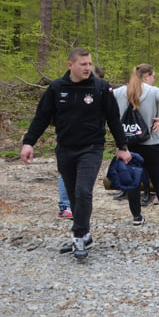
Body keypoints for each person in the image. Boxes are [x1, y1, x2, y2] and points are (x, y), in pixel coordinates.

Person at [21, 48, 131, 260]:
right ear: (70, 65)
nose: (88, 68)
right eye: (83, 64)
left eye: (89, 64)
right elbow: (41, 117)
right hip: (65, 149)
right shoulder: (56, 88)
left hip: (91, 148)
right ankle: (86, 232)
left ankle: (78, 237)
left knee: (83, 191)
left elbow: (114, 119)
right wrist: (28, 143)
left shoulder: (101, 88)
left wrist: (122, 147)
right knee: (73, 195)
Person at [113, 64, 159, 225]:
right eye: (153, 76)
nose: (154, 80)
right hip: (151, 143)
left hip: (128, 144)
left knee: (133, 181)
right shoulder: (152, 91)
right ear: (147, 76)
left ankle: (137, 218)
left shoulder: (119, 92)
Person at [57, 64, 107, 218]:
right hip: (70, 143)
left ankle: (79, 212)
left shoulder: (100, 91)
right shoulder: (64, 89)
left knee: (83, 182)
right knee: (68, 176)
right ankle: (66, 205)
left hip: (91, 144)